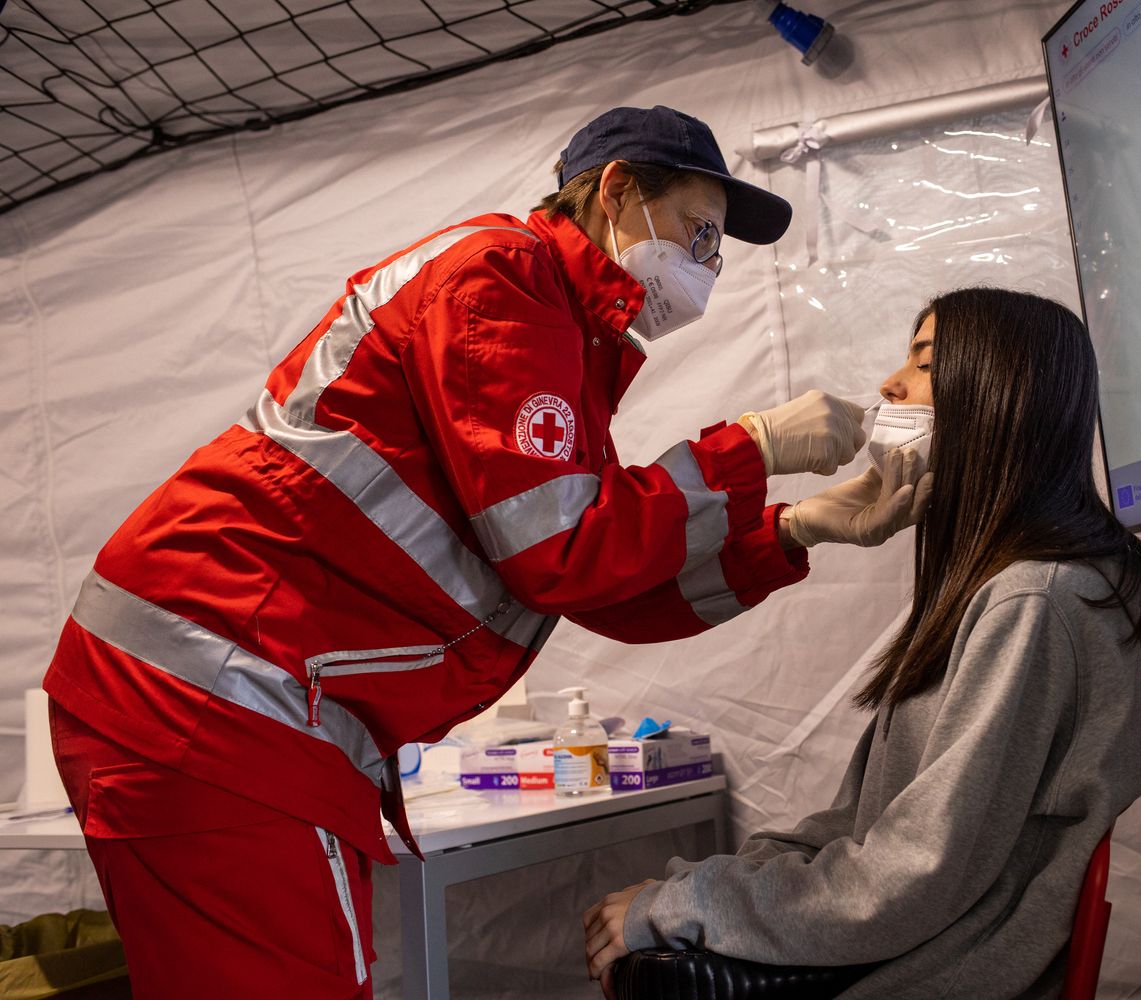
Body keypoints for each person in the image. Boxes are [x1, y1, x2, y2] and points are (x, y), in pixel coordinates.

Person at [43, 105, 931, 997]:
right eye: (699, 232)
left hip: (239, 700)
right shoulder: (500, 280)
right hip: (215, 692)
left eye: (717, 251)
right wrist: (750, 446)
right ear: (617, 189)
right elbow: (561, 556)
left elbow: (597, 579)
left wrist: (792, 529)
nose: (705, 267)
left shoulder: (566, 343)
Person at [584, 287, 1141, 999]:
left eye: (923, 361)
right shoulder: (1004, 591)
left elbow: (910, 874)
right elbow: (866, 825)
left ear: (1001, 391)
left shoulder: (1033, 601)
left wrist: (685, 906)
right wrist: (708, 890)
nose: (890, 384)